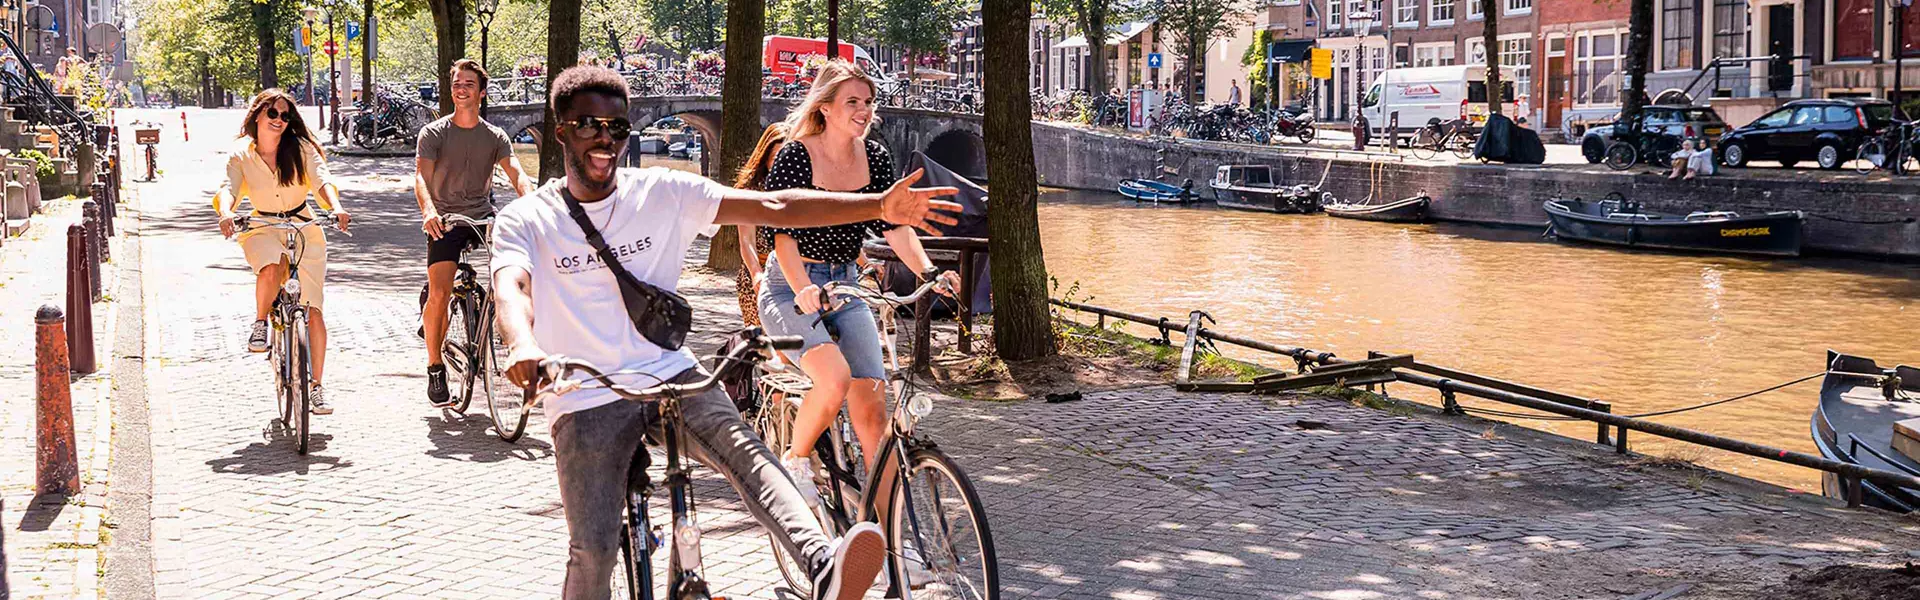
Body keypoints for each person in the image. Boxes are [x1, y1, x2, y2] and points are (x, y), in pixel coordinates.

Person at [490, 65, 962, 600]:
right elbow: (512, 286)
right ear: (560, 132)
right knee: (593, 550)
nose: (604, 140)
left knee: (749, 456)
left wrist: (877, 206)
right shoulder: (528, 218)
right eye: (587, 126)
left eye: (617, 128)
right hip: (586, 391)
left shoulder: (662, 191)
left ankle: (824, 563)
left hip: (670, 374)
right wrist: (523, 344)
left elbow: (777, 207)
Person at [755, 59, 961, 507]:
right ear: (825, 108)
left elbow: (898, 229)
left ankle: (891, 536)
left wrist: (929, 273)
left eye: (868, 102)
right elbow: (783, 237)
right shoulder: (796, 155)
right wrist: (803, 288)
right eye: (853, 102)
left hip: (846, 285)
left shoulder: (878, 157)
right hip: (789, 288)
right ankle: (795, 458)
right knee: (833, 380)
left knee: (873, 410)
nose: (865, 110)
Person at [213, 89, 354, 414]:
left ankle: (317, 387)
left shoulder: (300, 148)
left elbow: (322, 179)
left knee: (314, 309)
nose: (279, 120)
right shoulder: (241, 153)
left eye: (285, 115)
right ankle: (261, 322)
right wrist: (226, 213)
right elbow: (228, 188)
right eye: (273, 113)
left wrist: (336, 206)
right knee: (272, 266)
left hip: (303, 225)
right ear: (258, 115)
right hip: (262, 225)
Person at [416, 58, 534, 407]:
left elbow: (517, 173)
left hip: (484, 218)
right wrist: (429, 211)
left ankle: (514, 337)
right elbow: (421, 178)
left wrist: (531, 204)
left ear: (481, 93)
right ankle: (435, 366)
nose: (460, 88)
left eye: (468, 83)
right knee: (439, 292)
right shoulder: (435, 133)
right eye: (456, 83)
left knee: (516, 276)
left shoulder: (494, 137)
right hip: (445, 220)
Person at [732, 123, 788, 327]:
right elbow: (746, 241)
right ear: (765, 158)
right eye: (777, 159)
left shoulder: (802, 190)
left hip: (795, 273)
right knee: (765, 343)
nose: (783, 166)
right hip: (760, 273)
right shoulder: (752, 191)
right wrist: (756, 275)